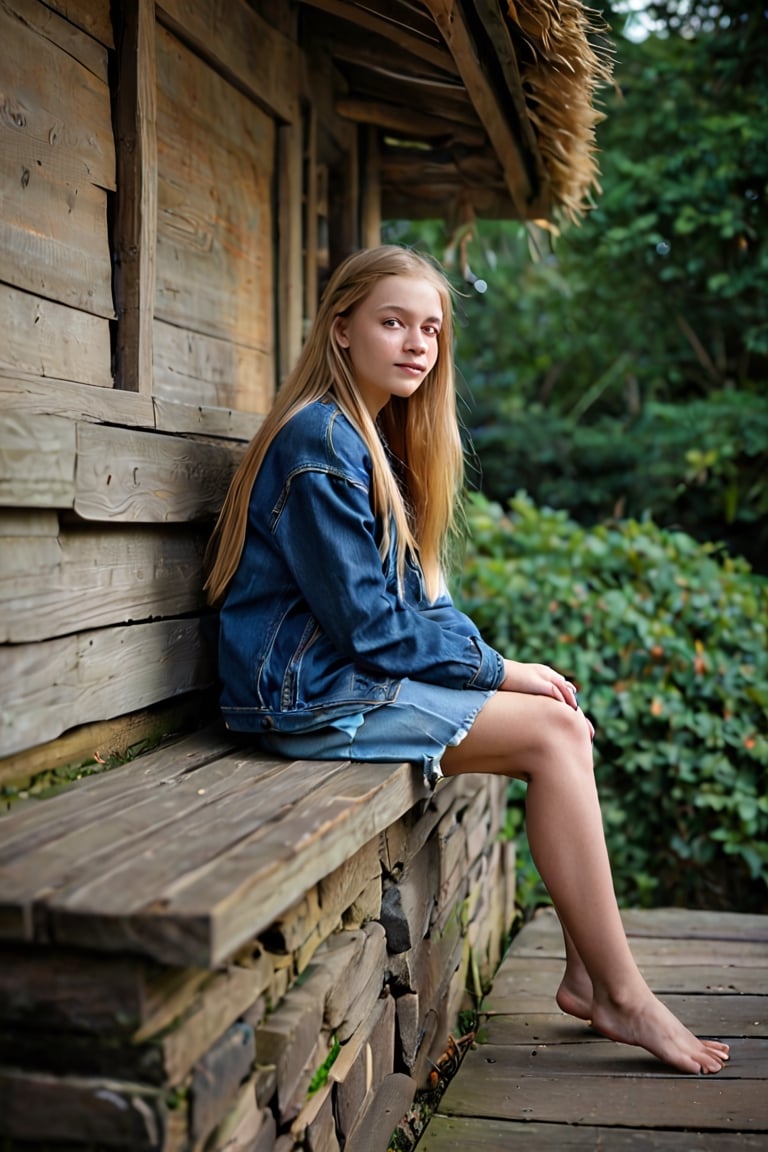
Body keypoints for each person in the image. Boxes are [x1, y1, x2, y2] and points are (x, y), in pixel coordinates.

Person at [205, 244, 729, 1075]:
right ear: (341, 330)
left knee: (566, 727)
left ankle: (587, 978)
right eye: (393, 323)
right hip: (304, 696)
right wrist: (502, 668)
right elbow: (372, 629)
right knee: (556, 736)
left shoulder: (374, 436)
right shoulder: (319, 440)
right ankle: (624, 996)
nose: (418, 344)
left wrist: (496, 663)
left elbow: (419, 607)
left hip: (339, 681)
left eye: (431, 329)